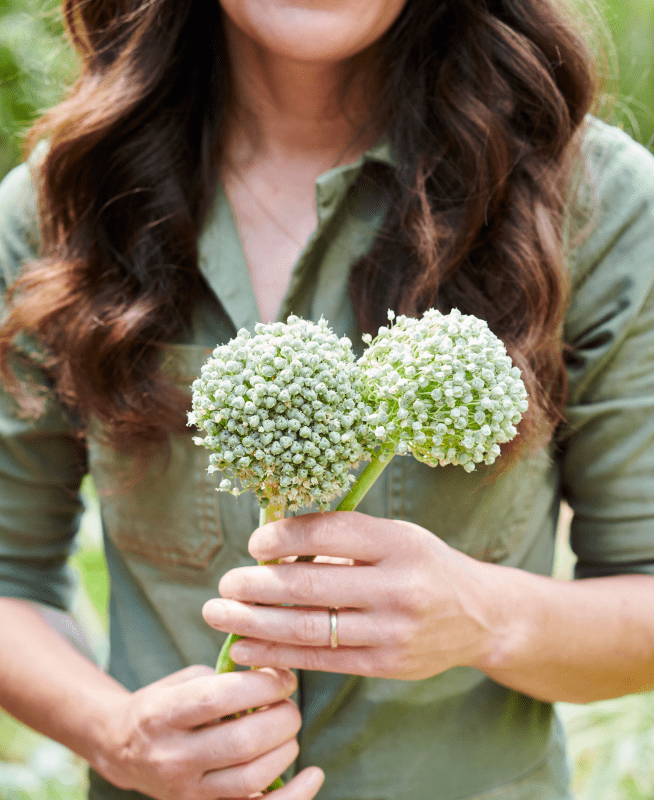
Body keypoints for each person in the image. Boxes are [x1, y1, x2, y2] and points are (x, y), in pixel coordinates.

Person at [0, 0, 653, 799]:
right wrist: (116, 733)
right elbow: (8, 579)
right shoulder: (61, 202)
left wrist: (485, 615)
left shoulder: (596, 201)